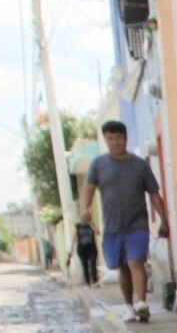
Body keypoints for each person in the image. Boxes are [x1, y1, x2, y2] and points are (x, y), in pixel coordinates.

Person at [76, 120, 168, 322]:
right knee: (122, 267)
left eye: (119, 138)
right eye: (110, 138)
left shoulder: (139, 165)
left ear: (125, 138)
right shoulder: (98, 165)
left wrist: (164, 219)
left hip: (137, 224)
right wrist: (84, 210)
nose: (115, 142)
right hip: (113, 227)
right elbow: (88, 190)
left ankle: (142, 303)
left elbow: (154, 195)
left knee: (136, 261)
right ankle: (129, 306)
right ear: (105, 140)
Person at [72, 221, 99, 285]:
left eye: (87, 216)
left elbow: (97, 232)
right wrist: (71, 248)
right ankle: (87, 282)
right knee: (85, 265)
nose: (85, 218)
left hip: (92, 248)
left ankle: (94, 280)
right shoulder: (78, 226)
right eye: (84, 216)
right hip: (81, 249)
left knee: (93, 263)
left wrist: (90, 224)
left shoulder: (92, 224)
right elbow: (74, 236)